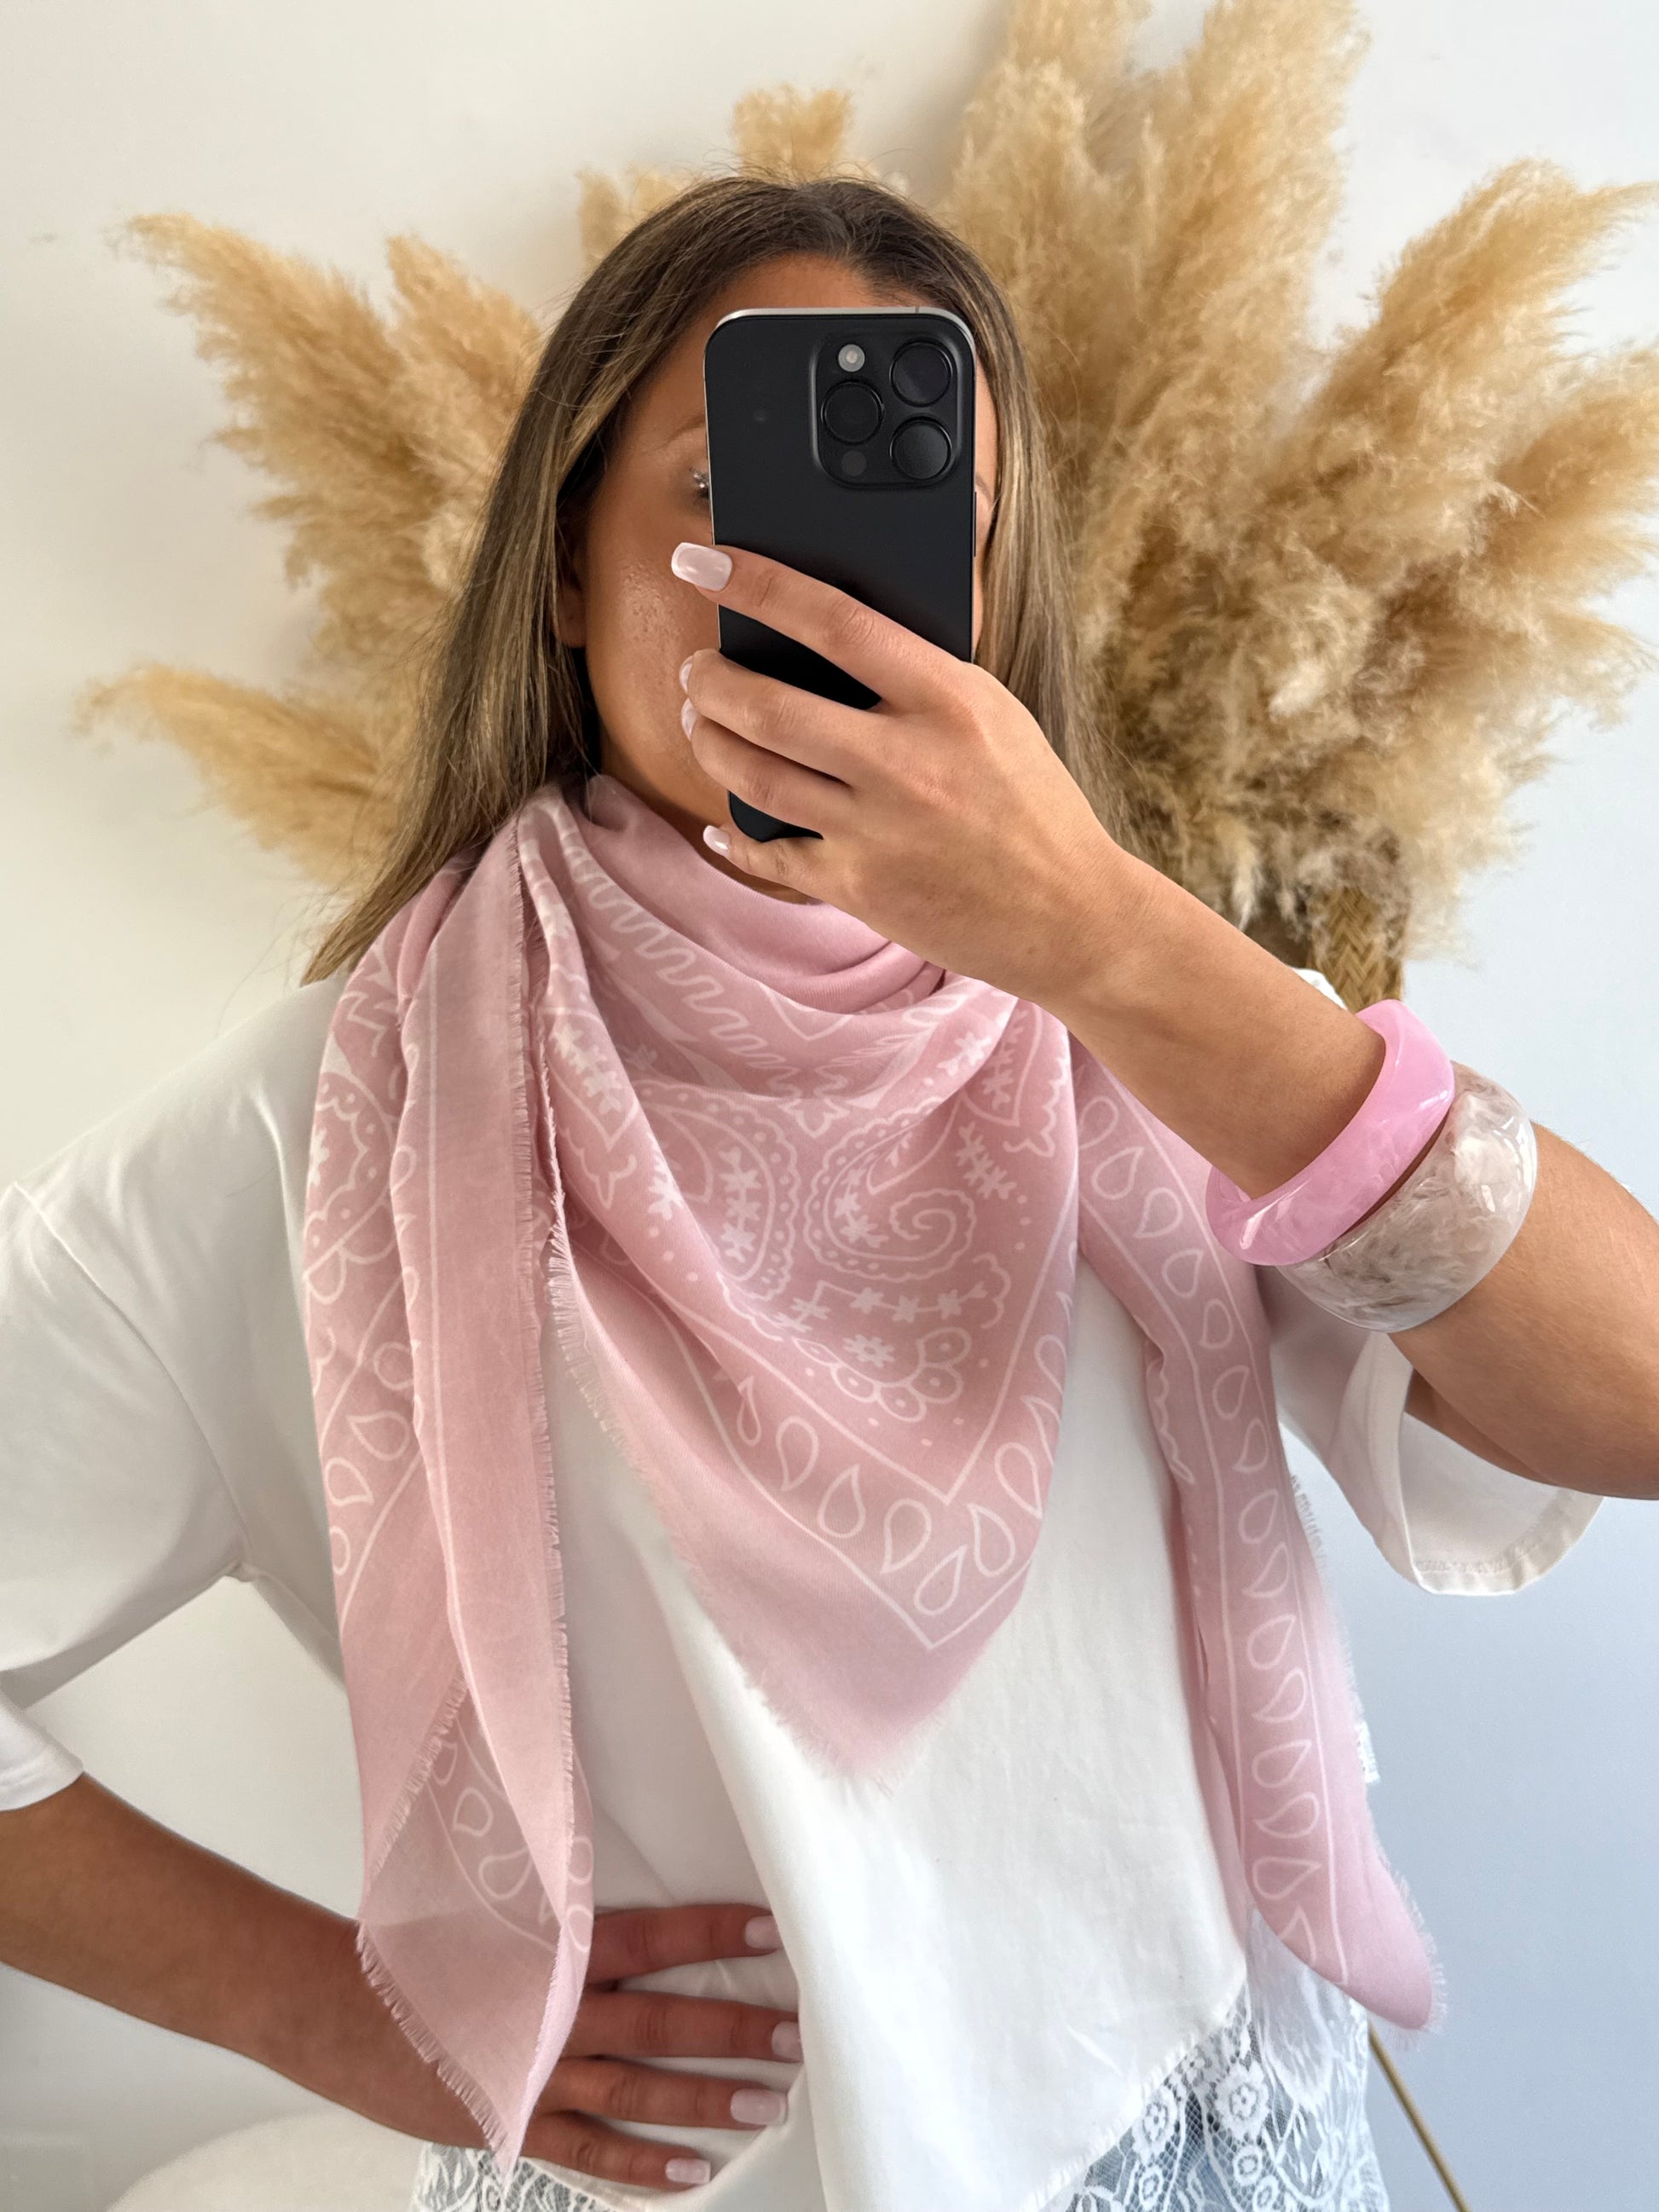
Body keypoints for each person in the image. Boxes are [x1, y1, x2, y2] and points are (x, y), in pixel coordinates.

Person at [3, 176, 1655, 2212]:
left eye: (910, 524)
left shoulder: (1160, 1026)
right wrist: (328, 2007)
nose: (819, 594)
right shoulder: (338, 1122)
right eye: (729, 499)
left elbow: (1635, 1399)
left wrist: (1111, 942)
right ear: (566, 569)